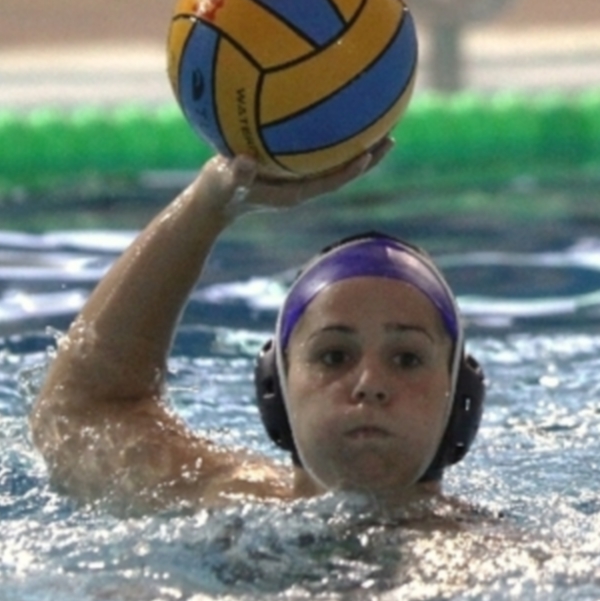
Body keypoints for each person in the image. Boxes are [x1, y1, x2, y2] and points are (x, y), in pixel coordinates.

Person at [30, 142, 484, 516]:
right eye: (334, 356)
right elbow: (75, 415)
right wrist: (207, 208)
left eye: (406, 358)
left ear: (460, 399)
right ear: (277, 389)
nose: (369, 385)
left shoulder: (501, 557)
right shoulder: (221, 499)